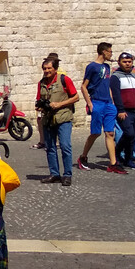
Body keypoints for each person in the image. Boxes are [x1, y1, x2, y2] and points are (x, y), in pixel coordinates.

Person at [78, 42, 125, 174]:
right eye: (110, 51)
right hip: (97, 102)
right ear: (104, 52)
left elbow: (108, 85)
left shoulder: (107, 67)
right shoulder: (92, 67)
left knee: (110, 133)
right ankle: (83, 157)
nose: (111, 54)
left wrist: (112, 102)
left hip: (108, 104)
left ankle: (113, 163)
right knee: (96, 133)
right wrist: (89, 103)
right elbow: (84, 86)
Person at [36, 57, 79, 186]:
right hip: (48, 119)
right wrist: (41, 106)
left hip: (63, 117)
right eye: (44, 68)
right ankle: (54, 173)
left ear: (55, 69)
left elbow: (76, 97)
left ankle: (67, 175)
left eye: (49, 68)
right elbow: (38, 100)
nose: (46, 71)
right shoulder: (41, 83)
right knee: (50, 148)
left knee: (65, 146)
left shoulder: (64, 80)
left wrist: (59, 104)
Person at [111, 52, 135, 170]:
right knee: (129, 133)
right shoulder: (116, 77)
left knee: (134, 136)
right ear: (119, 63)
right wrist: (120, 110)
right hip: (125, 111)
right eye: (125, 62)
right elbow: (116, 94)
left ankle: (128, 159)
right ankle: (117, 152)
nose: (127, 64)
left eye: (129, 62)